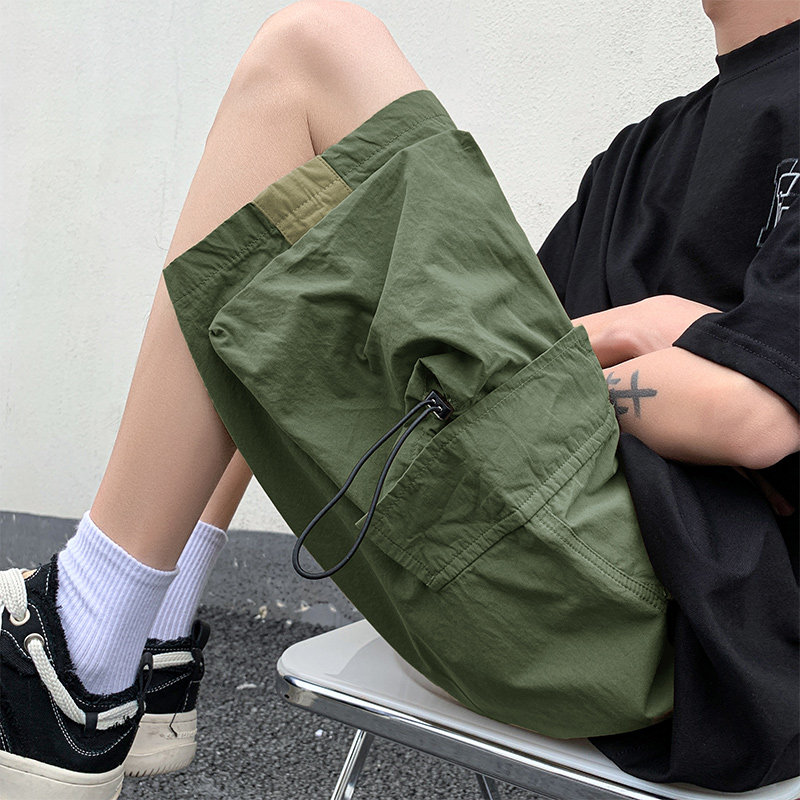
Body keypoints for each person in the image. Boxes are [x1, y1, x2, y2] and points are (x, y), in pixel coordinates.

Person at [1, 0, 797, 797]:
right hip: (544, 589)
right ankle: (148, 640)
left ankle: (89, 633)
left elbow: (747, 414)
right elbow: (517, 360)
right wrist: (642, 330)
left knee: (313, 49)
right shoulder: (643, 149)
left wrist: (600, 358)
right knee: (318, 265)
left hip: (685, 631)